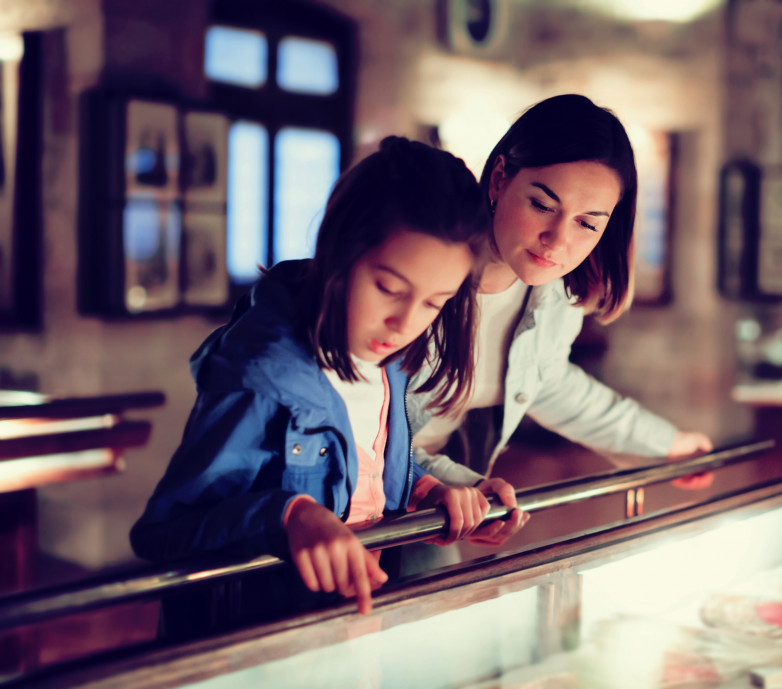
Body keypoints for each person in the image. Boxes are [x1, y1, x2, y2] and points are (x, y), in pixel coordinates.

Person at [130, 136, 511, 627]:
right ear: (339, 251)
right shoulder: (260, 376)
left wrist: (427, 492)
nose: (404, 323)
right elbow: (165, 534)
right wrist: (289, 516)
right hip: (257, 646)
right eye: (389, 289)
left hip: (352, 629)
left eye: (434, 303)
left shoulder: (390, 366)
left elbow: (364, 477)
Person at [407, 94, 715, 561]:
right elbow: (360, 421)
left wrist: (664, 444)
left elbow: (548, 382)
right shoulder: (421, 273)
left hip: (437, 495)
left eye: (588, 225)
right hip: (356, 481)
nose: (558, 241)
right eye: (543, 204)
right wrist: (456, 485)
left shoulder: (552, 296)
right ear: (499, 179)